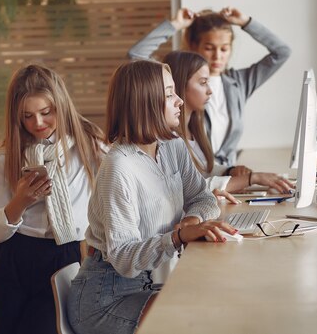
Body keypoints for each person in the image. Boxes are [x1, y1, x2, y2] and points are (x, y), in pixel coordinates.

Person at [67, 59, 235, 334]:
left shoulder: (172, 146)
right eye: (169, 94)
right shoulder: (119, 166)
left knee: (213, 299)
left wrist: (190, 221)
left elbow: (204, 199)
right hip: (104, 299)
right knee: (196, 316)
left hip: (141, 286)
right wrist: (179, 237)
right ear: (145, 102)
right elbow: (122, 257)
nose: (180, 100)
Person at [0, 64, 105, 334]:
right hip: (14, 258)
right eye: (27, 116)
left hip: (66, 254)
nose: (37, 123)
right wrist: (21, 201)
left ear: (61, 106)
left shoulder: (90, 144)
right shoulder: (7, 157)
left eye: (46, 112)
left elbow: (128, 179)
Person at [128, 6, 291, 167]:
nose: (217, 56)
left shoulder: (239, 83)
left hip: (228, 180)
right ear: (193, 46)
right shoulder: (175, 79)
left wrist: (245, 22)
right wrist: (176, 24)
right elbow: (136, 56)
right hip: (194, 179)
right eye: (209, 48)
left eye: (224, 49)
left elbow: (282, 52)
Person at [163, 51, 295, 203]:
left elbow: (202, 168)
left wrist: (229, 170)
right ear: (180, 85)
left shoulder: (195, 128)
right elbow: (192, 187)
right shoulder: (168, 139)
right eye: (203, 82)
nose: (210, 90)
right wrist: (251, 179)